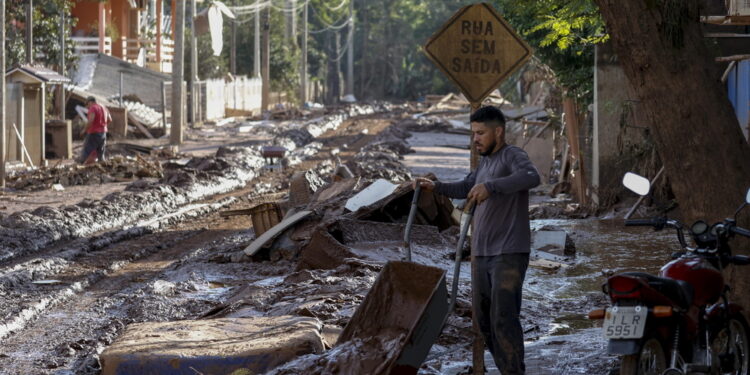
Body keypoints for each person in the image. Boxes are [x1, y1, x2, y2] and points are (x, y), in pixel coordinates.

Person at [413, 105, 540, 374]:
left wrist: (492, 187)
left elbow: (532, 176)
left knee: (503, 319)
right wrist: (435, 187)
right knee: (484, 323)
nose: (476, 139)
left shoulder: (512, 155)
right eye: (473, 134)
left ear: (499, 131)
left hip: (509, 252)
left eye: (481, 133)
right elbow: (465, 188)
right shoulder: (485, 164)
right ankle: (509, 370)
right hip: (481, 254)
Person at [80, 96, 111, 164]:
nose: (87, 107)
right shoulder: (104, 107)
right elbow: (109, 119)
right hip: (103, 133)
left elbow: (91, 121)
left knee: (86, 151)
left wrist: (84, 130)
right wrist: (102, 126)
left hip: (94, 133)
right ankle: (102, 165)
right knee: (101, 153)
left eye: (87, 104)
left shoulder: (93, 108)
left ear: (91, 102)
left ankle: (79, 165)